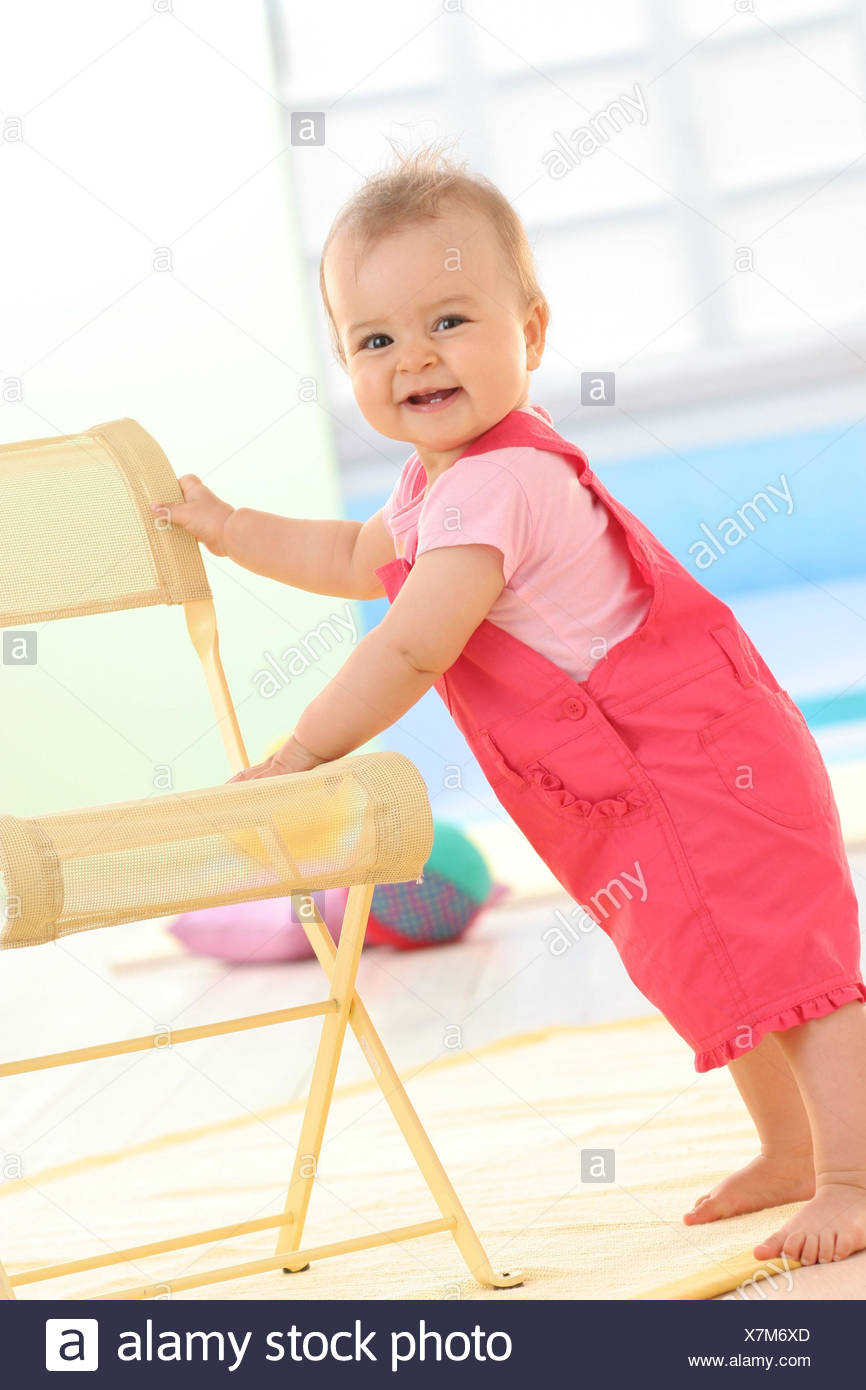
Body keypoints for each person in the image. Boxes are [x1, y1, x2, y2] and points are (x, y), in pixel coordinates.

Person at [151, 139, 866, 1269]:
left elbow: (408, 648)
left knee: (796, 967)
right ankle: (785, 1149)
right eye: (374, 339)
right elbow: (351, 554)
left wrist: (296, 751)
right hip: (635, 783)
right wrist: (233, 528)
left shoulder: (500, 485)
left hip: (696, 758)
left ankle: (848, 1176)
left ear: (528, 332)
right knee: (711, 960)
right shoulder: (435, 482)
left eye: (448, 320)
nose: (413, 357)